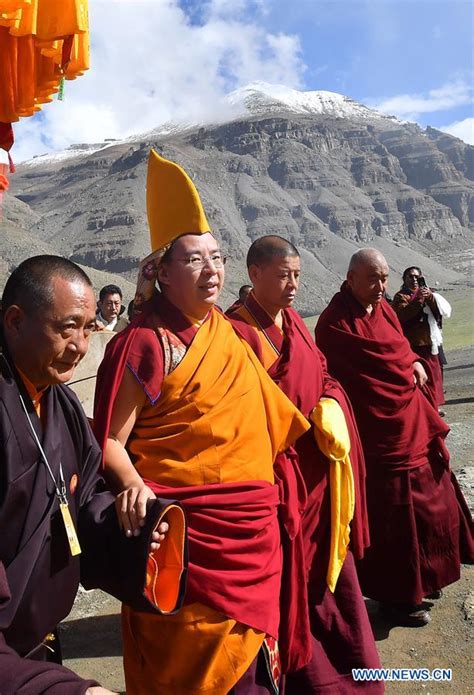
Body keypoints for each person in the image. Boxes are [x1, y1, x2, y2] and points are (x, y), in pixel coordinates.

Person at [93, 151, 310, 695]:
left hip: (251, 531)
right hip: (185, 538)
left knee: (255, 665)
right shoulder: (143, 344)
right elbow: (110, 443)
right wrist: (134, 486)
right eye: (193, 260)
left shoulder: (228, 335)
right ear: (161, 271)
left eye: (216, 257)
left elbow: (265, 420)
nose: (212, 270)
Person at [0, 255, 183, 694]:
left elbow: (83, 498)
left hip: (36, 639)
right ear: (15, 320)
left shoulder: (58, 403)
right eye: (67, 328)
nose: (81, 346)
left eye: (87, 328)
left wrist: (132, 525)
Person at [227, 236, 382, 694]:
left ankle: (349, 670)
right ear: (255, 274)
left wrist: (331, 400)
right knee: (288, 578)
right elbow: (242, 407)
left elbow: (321, 374)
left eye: (297, 274)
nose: (294, 284)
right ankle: (303, 675)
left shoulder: (294, 321)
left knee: (330, 575)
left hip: (316, 476)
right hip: (276, 474)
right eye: (283, 275)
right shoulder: (237, 332)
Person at [316, 248, 473, 627]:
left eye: (385, 279)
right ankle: (397, 598)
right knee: (394, 518)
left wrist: (415, 361)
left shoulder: (384, 308)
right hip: (378, 436)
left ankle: (430, 576)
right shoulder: (334, 324)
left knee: (433, 501)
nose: (381, 286)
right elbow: (348, 379)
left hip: (412, 421)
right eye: (373, 279)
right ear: (351, 278)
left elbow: (399, 348)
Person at [392, 267, 450, 412]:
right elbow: (403, 315)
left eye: (417, 277)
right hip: (414, 343)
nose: (414, 279)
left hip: (431, 341)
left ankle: (434, 406)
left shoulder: (427, 292)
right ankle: (424, 407)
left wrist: (429, 297)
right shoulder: (400, 297)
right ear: (404, 279)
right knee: (420, 377)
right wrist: (419, 299)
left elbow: (438, 312)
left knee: (434, 376)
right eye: (410, 277)